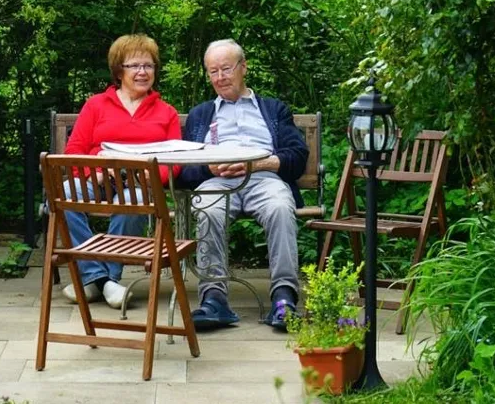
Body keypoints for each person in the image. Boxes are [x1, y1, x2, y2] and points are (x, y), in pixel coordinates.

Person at [178, 39, 309, 331]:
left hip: (263, 178)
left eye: (226, 68)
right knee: (208, 208)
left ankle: (284, 298)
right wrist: (207, 166)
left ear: (243, 67)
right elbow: (183, 170)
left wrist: (257, 164)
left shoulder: (273, 109)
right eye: (213, 71)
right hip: (217, 180)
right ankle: (214, 299)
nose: (220, 77)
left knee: (279, 207)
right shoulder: (201, 114)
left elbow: (297, 156)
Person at [61, 33, 182, 309]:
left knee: (132, 201)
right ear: (119, 70)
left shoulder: (167, 112)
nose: (143, 72)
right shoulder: (96, 105)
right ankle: (102, 280)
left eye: (148, 66)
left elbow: (174, 164)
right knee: (65, 193)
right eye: (135, 66)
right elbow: (73, 153)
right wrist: (97, 172)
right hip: (99, 179)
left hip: (139, 184)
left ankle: (103, 280)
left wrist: (137, 176)